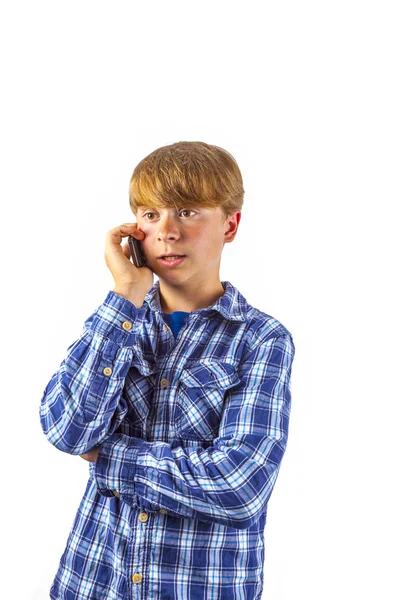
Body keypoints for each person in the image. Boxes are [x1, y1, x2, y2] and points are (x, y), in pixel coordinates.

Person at [39, 140, 296, 600]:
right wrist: (125, 295)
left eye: (187, 211)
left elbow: (238, 485)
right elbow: (67, 430)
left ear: (231, 224)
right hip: (93, 582)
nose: (167, 232)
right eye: (151, 215)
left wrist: (109, 455)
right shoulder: (117, 324)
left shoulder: (260, 339)